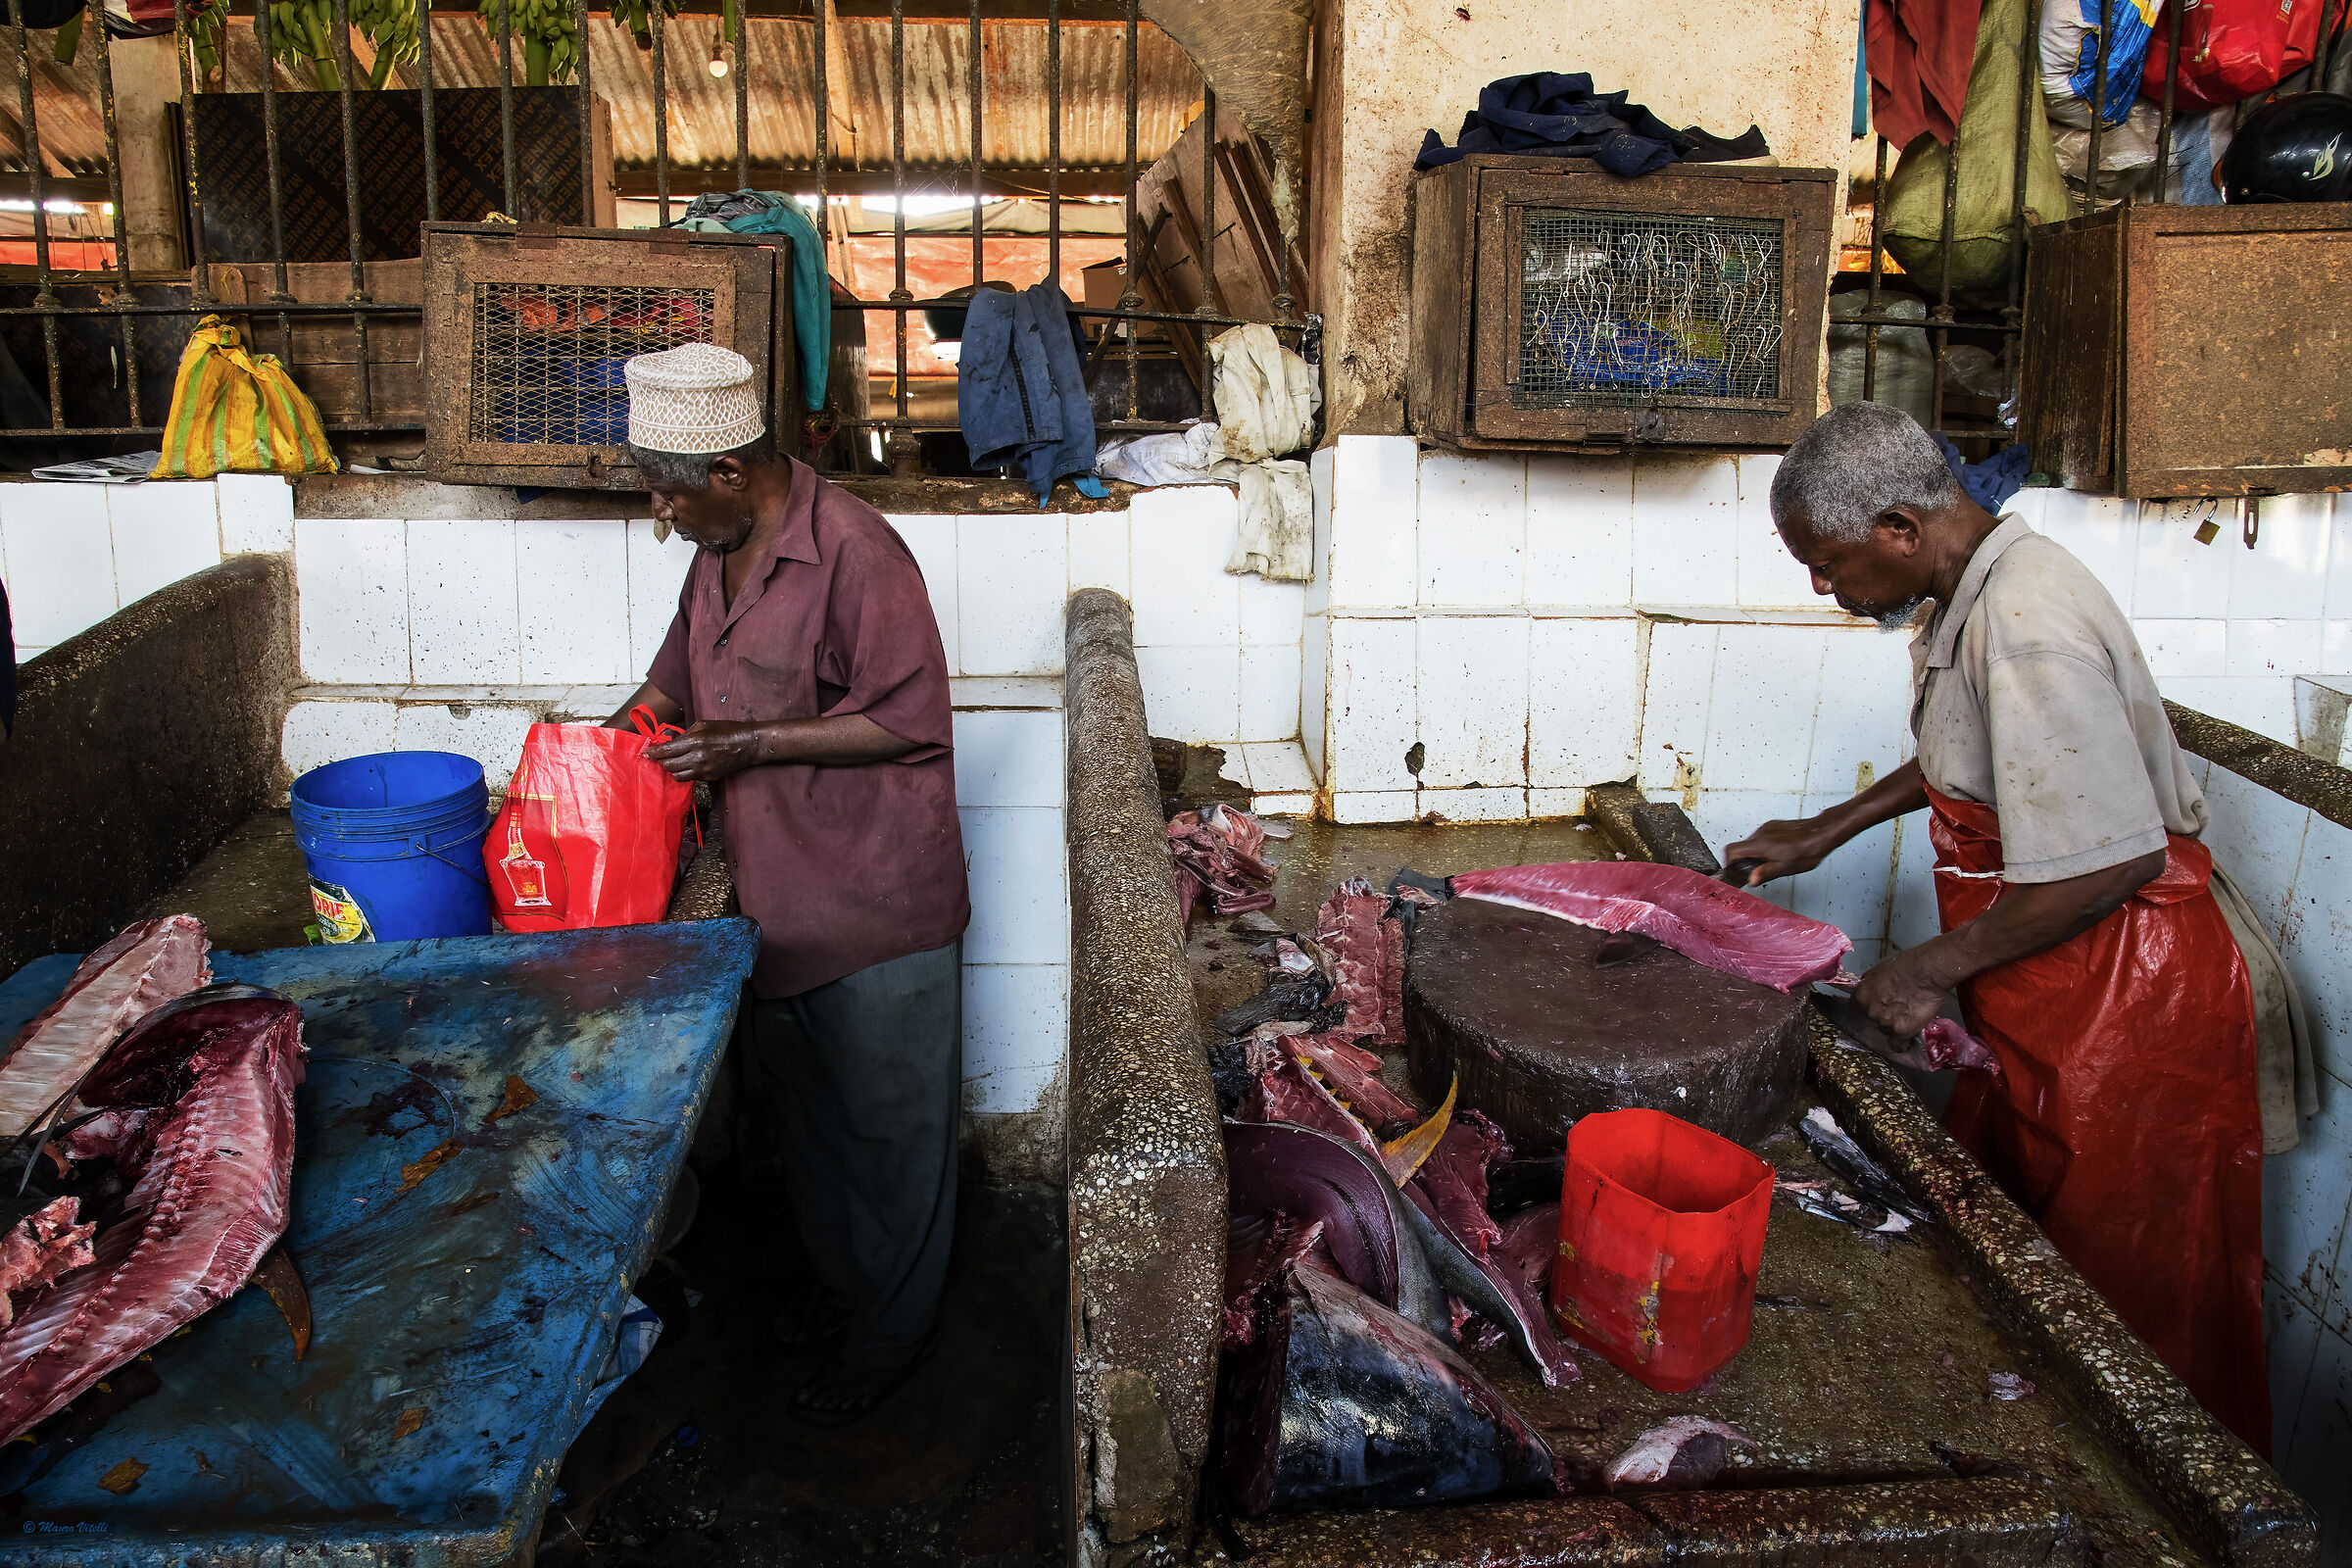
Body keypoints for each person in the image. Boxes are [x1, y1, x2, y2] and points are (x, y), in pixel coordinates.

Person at [1725, 402, 2271, 1452]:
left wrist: (1928, 968)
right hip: (2047, 995)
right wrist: (1824, 831)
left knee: (2128, 1324)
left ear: (1897, 527)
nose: (1824, 589)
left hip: (2128, 1010)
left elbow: (2116, 856)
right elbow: (1967, 755)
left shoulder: (2028, 617)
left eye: (1828, 563)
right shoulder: (1966, 589)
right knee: (2023, 1275)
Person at [605, 342, 969, 1425]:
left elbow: (909, 720)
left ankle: (893, 1339)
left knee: (890, 1140)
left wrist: (746, 745)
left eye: (669, 492)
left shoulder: (856, 550)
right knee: (811, 1129)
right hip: (778, 905)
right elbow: (673, 681)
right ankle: (848, 1291)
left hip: (875, 905)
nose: (660, 515)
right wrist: (609, 742)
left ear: (728, 470)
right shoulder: (715, 550)